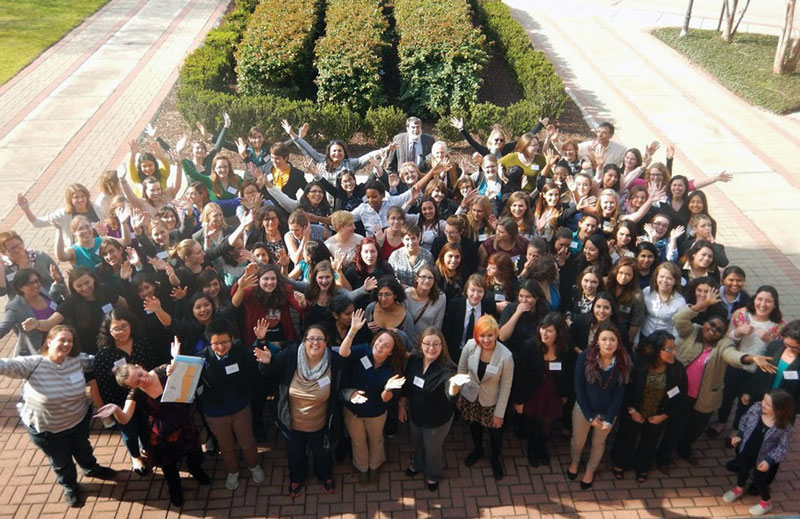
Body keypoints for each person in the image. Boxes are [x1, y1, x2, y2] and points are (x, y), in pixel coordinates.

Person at [0, 326, 118, 507]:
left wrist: (125, 366)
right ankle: (70, 486)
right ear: (49, 341)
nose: (66, 344)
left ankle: (91, 469)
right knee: (61, 462)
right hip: (48, 430)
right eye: (61, 340)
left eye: (70, 341)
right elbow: (5, 365)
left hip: (78, 421)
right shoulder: (33, 364)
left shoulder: (77, 360)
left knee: (83, 449)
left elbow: (101, 362)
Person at [655, 294, 774, 472]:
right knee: (674, 429)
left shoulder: (724, 344)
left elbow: (732, 356)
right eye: (711, 325)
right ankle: (663, 457)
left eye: (719, 329)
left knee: (693, 431)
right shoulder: (692, 331)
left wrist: (751, 358)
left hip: (705, 398)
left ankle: (684, 449)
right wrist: (701, 304)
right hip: (680, 395)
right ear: (704, 324)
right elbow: (678, 318)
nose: (713, 330)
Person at [94, 351, 210, 507]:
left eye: (140, 374)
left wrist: (176, 362)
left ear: (139, 366)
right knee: (169, 466)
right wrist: (116, 409)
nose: (143, 380)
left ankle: (196, 470)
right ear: (132, 387)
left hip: (184, 424)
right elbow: (126, 418)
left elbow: (182, 373)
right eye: (137, 382)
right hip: (162, 434)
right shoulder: (136, 394)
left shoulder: (162, 371)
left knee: (195, 453)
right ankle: (175, 489)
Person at [253, 325, 342, 498]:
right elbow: (271, 373)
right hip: (292, 422)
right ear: (305, 340)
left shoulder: (334, 361)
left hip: (320, 422)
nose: (315, 343)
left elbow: (343, 382)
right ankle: (297, 478)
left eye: (320, 339)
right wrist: (267, 362)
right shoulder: (291, 354)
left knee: (322, 453)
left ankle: (325, 476)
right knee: (296, 454)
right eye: (311, 339)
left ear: (326, 342)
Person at [338, 310, 406, 484]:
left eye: (387, 345)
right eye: (380, 340)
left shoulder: (392, 370)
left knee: (376, 440)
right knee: (357, 441)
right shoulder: (362, 351)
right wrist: (353, 330)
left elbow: (385, 399)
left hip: (376, 411)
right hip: (353, 409)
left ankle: (375, 465)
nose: (381, 346)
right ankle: (362, 468)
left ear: (391, 352)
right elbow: (343, 353)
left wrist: (388, 388)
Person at [196, 319, 264, 491]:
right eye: (216, 343)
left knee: (247, 442)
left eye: (225, 342)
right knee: (226, 446)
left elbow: (255, 370)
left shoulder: (241, 352)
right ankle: (233, 470)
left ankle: (253, 465)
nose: (221, 347)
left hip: (240, 408)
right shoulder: (200, 359)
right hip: (215, 413)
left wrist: (261, 341)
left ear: (232, 339)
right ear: (209, 342)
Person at [399, 327, 470, 491]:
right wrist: (402, 405)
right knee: (417, 442)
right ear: (421, 344)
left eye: (436, 344)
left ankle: (433, 474)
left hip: (437, 420)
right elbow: (407, 386)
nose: (431, 348)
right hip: (415, 414)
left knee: (433, 449)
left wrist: (454, 385)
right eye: (427, 344)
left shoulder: (448, 369)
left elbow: (450, 396)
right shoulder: (415, 360)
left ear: (442, 346)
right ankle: (417, 464)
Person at [610, 331, 686, 482]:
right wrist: (631, 410)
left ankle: (642, 466)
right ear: (655, 350)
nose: (673, 353)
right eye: (668, 349)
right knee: (626, 437)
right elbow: (626, 389)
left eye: (674, 348)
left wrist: (664, 416)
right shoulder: (637, 364)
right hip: (633, 411)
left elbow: (680, 395)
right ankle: (620, 463)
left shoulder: (677, 369)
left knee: (650, 441)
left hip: (658, 414)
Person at [92, 309, 160, 474]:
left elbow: (151, 366)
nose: (121, 332)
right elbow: (104, 385)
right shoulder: (104, 355)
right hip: (122, 400)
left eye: (124, 326)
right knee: (129, 431)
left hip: (146, 396)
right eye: (116, 329)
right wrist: (111, 409)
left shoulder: (141, 342)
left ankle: (147, 448)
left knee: (147, 426)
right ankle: (135, 456)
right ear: (108, 331)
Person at [568, 323, 631, 490]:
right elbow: (578, 388)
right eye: (604, 339)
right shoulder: (585, 357)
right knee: (578, 441)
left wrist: (609, 419)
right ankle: (575, 461)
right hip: (584, 409)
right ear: (597, 341)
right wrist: (589, 415)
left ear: (618, 342)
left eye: (612, 339)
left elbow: (619, 394)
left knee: (598, 443)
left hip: (606, 413)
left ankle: (590, 470)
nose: (608, 343)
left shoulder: (622, 362)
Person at [511, 313, 574, 467]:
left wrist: (564, 394)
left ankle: (541, 446)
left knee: (546, 426)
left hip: (552, 394)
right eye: (542, 329)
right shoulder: (529, 346)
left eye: (549, 331)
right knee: (531, 425)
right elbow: (520, 376)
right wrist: (518, 401)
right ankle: (532, 449)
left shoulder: (564, 350)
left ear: (558, 333)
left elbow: (567, 374)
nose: (544, 333)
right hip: (532, 393)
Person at [458, 315, 514, 480]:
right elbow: (461, 369)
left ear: (496, 333)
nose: (486, 339)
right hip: (471, 397)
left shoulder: (506, 356)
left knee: (495, 433)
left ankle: (495, 459)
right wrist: (460, 396)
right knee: (474, 426)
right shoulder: (470, 346)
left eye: (490, 335)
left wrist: (499, 414)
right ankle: (478, 449)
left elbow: (506, 386)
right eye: (482, 335)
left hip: (491, 401)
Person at [722, 390, 794, 517]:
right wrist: (739, 435)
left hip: (762, 459)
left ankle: (766, 502)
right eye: (763, 400)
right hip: (746, 450)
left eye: (767, 404)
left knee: (759, 480)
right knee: (742, 470)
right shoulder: (756, 408)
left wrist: (769, 460)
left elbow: (783, 447)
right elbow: (744, 420)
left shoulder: (783, 426)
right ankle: (739, 489)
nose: (762, 404)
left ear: (780, 410)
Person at [0, 269, 58, 356]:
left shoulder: (41, 292)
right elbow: (4, 328)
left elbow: (52, 297)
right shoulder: (15, 307)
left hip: (56, 346)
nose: (35, 285)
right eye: (29, 283)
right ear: (20, 287)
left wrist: (58, 283)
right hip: (35, 353)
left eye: (36, 281)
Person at [0, 231, 64, 301]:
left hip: (52, 300)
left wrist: (68, 298)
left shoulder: (41, 257)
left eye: (18, 245)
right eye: (11, 249)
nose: (16, 250)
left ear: (23, 243)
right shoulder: (4, 269)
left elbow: (60, 279)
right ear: (3, 253)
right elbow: (2, 292)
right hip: (24, 309)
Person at [404, 265, 446, 337]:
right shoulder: (407, 294)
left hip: (427, 341)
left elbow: (437, 326)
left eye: (430, 278)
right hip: (408, 340)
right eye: (423, 277)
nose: (427, 281)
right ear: (417, 278)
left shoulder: (440, 298)